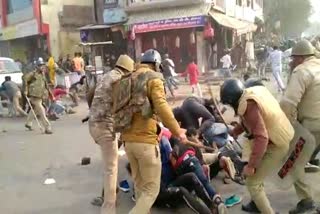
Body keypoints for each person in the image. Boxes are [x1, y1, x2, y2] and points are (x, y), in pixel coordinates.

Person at [112, 49, 187, 214]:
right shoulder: (153, 78)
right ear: (156, 64)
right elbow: (161, 106)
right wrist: (177, 131)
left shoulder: (127, 78)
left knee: (140, 187)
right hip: (145, 142)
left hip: (128, 142)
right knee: (152, 190)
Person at [220, 79, 294, 214]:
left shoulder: (249, 106)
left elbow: (262, 137)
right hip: (280, 135)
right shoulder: (248, 95)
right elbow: (250, 121)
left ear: (232, 101)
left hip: (277, 144)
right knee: (256, 179)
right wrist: (235, 131)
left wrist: (251, 165)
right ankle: (258, 204)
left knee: (252, 184)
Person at [88, 55, 135, 214]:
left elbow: (90, 94)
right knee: (111, 168)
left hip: (94, 124)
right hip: (105, 127)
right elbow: (124, 106)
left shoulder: (106, 76)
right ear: (128, 70)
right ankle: (108, 209)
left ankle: (111, 193)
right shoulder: (120, 81)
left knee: (111, 162)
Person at [280, 40, 320, 213]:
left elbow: (288, 104)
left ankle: (306, 200)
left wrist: (288, 127)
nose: (292, 62)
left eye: (294, 58)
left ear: (301, 57)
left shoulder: (301, 71)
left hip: (312, 126)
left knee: (292, 162)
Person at [23, 58, 52, 134]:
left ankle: (28, 123)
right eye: (40, 65)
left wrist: (50, 94)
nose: (42, 67)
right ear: (36, 66)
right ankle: (47, 126)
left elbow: (46, 84)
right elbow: (25, 79)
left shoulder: (43, 74)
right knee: (41, 110)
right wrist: (26, 90)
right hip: (34, 96)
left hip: (40, 95)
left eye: (43, 65)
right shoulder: (32, 74)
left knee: (36, 109)